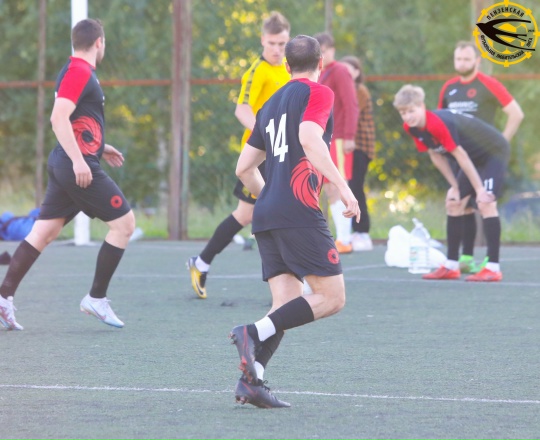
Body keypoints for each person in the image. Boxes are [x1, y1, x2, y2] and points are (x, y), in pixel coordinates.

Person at [230, 35, 360, 408]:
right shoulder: (319, 92)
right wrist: (344, 188)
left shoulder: (270, 103)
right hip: (298, 211)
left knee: (285, 304)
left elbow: (243, 168)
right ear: (321, 64)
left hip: (267, 213)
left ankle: (252, 382)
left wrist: (270, 196)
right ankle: (251, 331)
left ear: (286, 66)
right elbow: (309, 138)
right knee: (332, 298)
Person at [0, 19, 135, 331]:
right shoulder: (79, 71)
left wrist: (99, 147)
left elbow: (77, 121)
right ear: (99, 42)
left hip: (69, 162)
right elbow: (58, 117)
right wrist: (79, 161)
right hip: (75, 167)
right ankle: (96, 298)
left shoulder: (76, 70)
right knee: (124, 224)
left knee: (43, 232)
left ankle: (4, 296)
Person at [187, 11, 291, 299]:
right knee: (252, 214)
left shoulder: (288, 69)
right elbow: (241, 109)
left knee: (269, 212)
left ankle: (202, 262)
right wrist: (266, 135)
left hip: (281, 154)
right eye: (272, 43)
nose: (277, 49)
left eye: (282, 43)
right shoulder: (256, 71)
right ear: (262, 40)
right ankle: (202, 262)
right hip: (259, 157)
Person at [393, 84, 509, 282]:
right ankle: (451, 265)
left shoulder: (437, 123)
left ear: (422, 106)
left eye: (411, 111)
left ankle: (493, 267)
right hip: (472, 158)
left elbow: (460, 156)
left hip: (493, 152)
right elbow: (435, 155)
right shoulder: (411, 128)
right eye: (403, 113)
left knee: (486, 202)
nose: (408, 117)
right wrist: (455, 187)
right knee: (454, 203)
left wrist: (480, 189)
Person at [438, 41, 524, 274]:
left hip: (486, 156)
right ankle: (464, 259)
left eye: (467, 59)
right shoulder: (448, 88)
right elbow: (441, 120)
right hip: (461, 156)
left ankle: (491, 264)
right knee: (460, 204)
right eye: (458, 59)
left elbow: (516, 114)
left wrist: (501, 142)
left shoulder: (488, 84)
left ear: (477, 61)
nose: (462, 63)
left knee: (486, 203)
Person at [313, 32, 359, 254]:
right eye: (319, 52)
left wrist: (349, 135)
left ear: (333, 50)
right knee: (329, 187)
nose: (323, 55)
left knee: (339, 184)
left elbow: (351, 104)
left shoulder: (340, 71)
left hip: (339, 137)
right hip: (323, 137)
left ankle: (345, 239)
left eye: (325, 51)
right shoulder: (319, 73)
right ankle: (340, 238)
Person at [341, 55, 376, 251]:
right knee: (347, 186)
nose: (345, 74)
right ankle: (352, 231)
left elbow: (350, 113)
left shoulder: (359, 91)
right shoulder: (343, 90)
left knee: (355, 186)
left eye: (349, 70)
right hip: (347, 146)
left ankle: (363, 230)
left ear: (357, 72)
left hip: (360, 146)